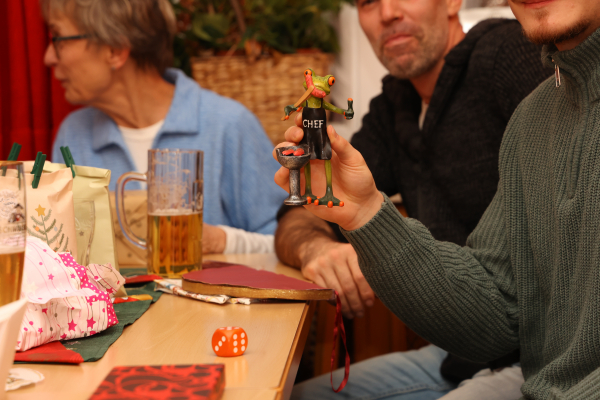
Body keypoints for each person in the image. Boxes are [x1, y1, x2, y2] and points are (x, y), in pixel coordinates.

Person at [275, 0, 600, 398]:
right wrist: (361, 218)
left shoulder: (507, 57)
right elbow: (499, 306)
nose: (388, 12)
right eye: (368, 1)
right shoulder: (406, 107)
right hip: (475, 357)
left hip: (521, 366)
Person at [43, 0, 286, 254]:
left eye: (58, 39)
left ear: (114, 50)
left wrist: (221, 241)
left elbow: (289, 244)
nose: (48, 57)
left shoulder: (228, 126)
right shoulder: (73, 135)